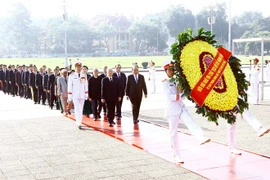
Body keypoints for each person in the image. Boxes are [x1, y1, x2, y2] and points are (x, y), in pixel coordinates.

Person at [161, 60, 211, 163]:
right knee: (174, 133)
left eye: (173, 69)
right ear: (165, 71)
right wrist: (181, 96)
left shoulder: (177, 80)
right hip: (172, 110)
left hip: (181, 107)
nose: (172, 71)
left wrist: (183, 93)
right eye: (169, 70)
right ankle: (177, 155)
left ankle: (200, 137)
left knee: (190, 121)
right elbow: (170, 97)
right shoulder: (164, 82)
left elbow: (183, 93)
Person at [68, 60, 88, 129]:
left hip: (82, 95)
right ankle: (78, 122)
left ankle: (80, 121)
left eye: (80, 67)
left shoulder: (84, 75)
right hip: (75, 95)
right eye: (77, 67)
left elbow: (86, 85)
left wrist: (86, 93)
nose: (79, 68)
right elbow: (70, 86)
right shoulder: (72, 76)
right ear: (75, 67)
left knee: (81, 108)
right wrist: (70, 95)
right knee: (77, 108)